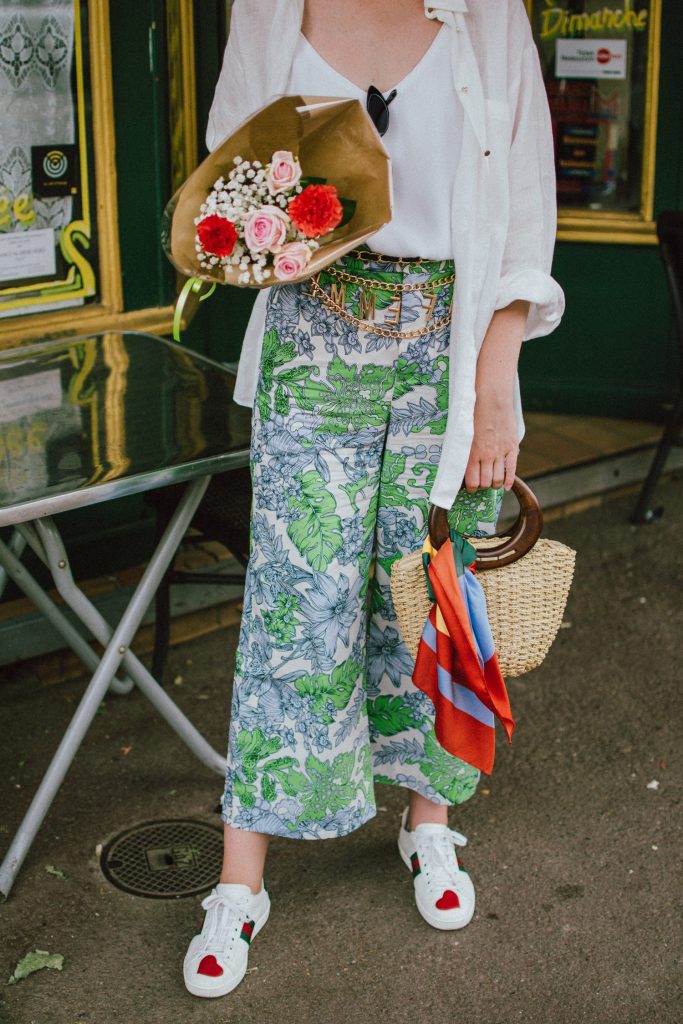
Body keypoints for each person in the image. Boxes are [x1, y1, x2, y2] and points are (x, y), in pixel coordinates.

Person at [183, 0, 564, 999]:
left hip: (447, 339)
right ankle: (238, 880)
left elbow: (523, 206)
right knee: (290, 604)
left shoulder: (488, 17)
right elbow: (227, 175)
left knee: (429, 592)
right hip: (316, 335)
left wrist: (493, 395)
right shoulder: (265, 9)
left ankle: (426, 822)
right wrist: (264, 246)